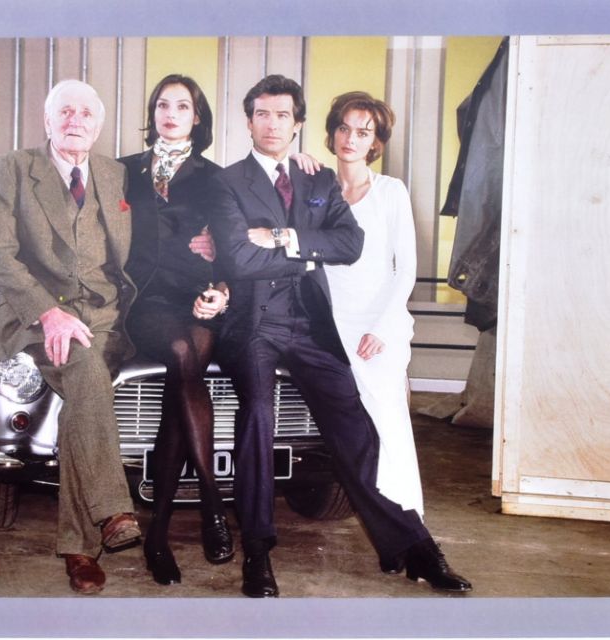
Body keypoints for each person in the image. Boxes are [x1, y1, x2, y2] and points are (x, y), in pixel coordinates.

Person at [198, 74, 471, 597]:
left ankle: (414, 547)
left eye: (283, 115)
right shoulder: (226, 181)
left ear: (298, 123)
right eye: (262, 114)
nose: (272, 124)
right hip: (254, 322)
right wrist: (306, 253)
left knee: (355, 426)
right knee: (258, 416)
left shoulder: (317, 179)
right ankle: (258, 552)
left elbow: (350, 244)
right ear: (249, 122)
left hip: (311, 323)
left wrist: (283, 239)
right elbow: (238, 258)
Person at [0, 79, 141, 595]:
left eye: (86, 113)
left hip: (109, 315)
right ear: (47, 121)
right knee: (87, 371)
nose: (76, 121)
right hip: (42, 314)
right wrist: (49, 314)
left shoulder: (116, 174)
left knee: (83, 403)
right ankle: (105, 519)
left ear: (99, 125)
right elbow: (1, 256)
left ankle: (83, 543)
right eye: (65, 112)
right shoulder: (12, 169)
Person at [117, 74, 233, 585]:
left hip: (196, 299)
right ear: (153, 113)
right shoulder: (122, 171)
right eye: (162, 105)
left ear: (197, 116)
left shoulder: (216, 178)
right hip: (143, 301)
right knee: (185, 356)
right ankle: (212, 500)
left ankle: (158, 534)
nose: (170, 114)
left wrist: (221, 288)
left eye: (182, 106)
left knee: (183, 373)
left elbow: (232, 246)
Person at [322, 91, 424, 517]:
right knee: (345, 427)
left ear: (375, 142)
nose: (351, 139)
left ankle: (406, 519)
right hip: (328, 325)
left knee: (387, 420)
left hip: (377, 325)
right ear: (332, 133)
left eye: (362, 133)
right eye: (344, 128)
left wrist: (382, 328)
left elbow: (406, 269)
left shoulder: (390, 191)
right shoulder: (317, 189)